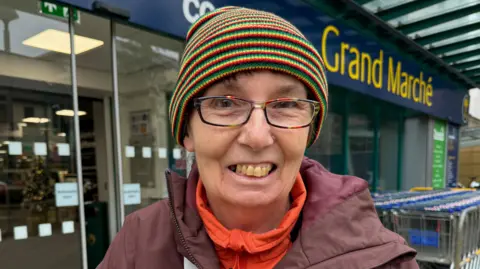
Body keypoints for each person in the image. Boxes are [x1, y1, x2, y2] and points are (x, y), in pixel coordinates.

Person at [97, 6, 419, 269]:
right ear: (187, 132)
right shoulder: (137, 246)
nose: (257, 136)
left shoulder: (382, 260)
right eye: (224, 103)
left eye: (286, 105)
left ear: (309, 130)